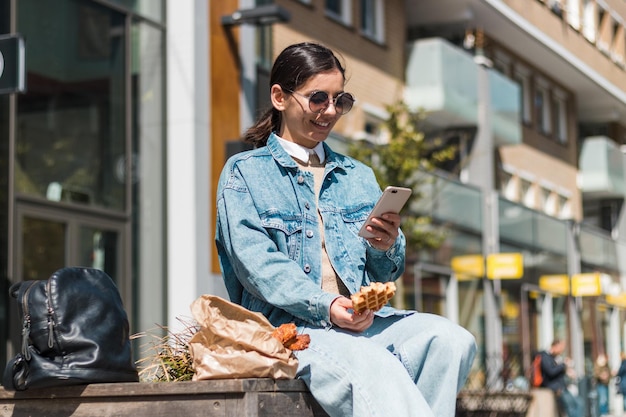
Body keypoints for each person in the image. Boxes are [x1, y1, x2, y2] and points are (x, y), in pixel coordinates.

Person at [215, 42, 477, 417]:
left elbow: (385, 274)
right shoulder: (244, 173)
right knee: (374, 366)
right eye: (318, 98)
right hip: (292, 335)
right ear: (279, 96)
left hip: (362, 325)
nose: (331, 111)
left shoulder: (359, 175)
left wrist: (384, 248)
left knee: (450, 340)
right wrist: (328, 305)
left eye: (341, 100)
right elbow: (256, 267)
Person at [540, 340, 583, 417]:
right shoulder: (545, 357)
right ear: (555, 346)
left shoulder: (554, 358)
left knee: (579, 404)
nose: (561, 351)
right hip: (556, 388)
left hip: (562, 387)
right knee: (571, 407)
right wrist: (563, 365)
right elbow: (551, 371)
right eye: (561, 348)